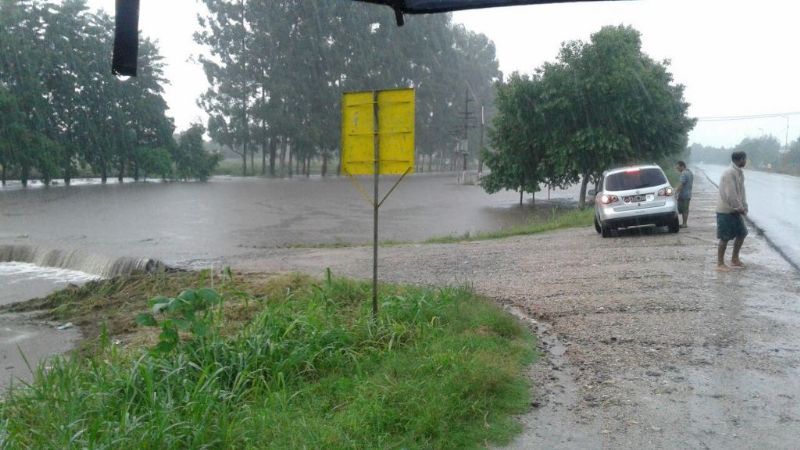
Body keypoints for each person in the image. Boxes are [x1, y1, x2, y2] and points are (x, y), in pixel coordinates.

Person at [716, 151, 748, 272]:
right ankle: (720, 263)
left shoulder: (739, 173)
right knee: (724, 237)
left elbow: (742, 192)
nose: (745, 162)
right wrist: (740, 208)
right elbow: (731, 194)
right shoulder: (729, 173)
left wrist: (745, 206)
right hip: (725, 211)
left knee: (742, 233)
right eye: (745, 159)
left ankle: (734, 259)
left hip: (735, 211)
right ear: (740, 159)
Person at [674, 161, 693, 227]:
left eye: (678, 168)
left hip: (684, 194)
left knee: (683, 209)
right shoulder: (690, 172)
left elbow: (681, 184)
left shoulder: (684, 174)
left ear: (682, 166)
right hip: (688, 194)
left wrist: (676, 192)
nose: (677, 169)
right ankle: (684, 223)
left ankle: (684, 224)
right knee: (685, 209)